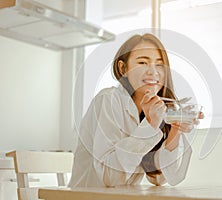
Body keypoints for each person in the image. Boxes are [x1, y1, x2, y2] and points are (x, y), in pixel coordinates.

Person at [69, 33, 203, 187]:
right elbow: (110, 179)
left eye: (159, 64)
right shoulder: (108, 100)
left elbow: (158, 179)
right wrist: (150, 125)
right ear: (123, 68)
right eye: (142, 62)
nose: (153, 71)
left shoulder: (155, 110)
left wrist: (175, 131)